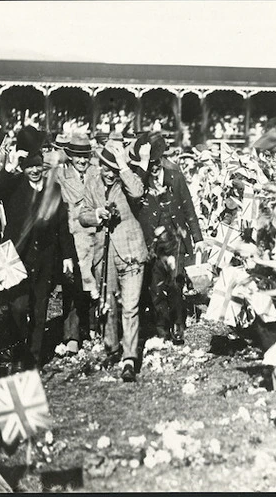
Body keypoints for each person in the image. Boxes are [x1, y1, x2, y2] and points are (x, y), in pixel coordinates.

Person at [0, 126, 75, 368]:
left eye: (38, 166)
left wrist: (67, 256)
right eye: (29, 166)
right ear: (23, 168)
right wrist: (8, 167)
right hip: (15, 256)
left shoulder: (53, 190)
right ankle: (19, 352)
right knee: (18, 308)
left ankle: (34, 360)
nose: (34, 171)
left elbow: (62, 226)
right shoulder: (14, 186)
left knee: (40, 311)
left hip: (45, 258)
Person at [79, 140, 148, 382]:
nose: (109, 174)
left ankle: (129, 358)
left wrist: (124, 167)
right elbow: (82, 215)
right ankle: (112, 348)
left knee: (130, 306)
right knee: (108, 305)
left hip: (130, 252)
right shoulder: (92, 184)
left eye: (113, 169)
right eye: (105, 168)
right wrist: (97, 215)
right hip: (104, 253)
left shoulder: (127, 181)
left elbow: (138, 191)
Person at [131, 132, 205, 344]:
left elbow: (188, 208)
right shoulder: (141, 180)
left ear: (163, 160)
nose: (154, 167)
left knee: (175, 284)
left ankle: (178, 325)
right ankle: (162, 327)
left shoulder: (176, 177)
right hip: (154, 244)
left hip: (176, 240)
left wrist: (197, 238)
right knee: (156, 288)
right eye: (150, 163)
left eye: (157, 162)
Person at [50, 132, 100, 355]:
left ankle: (92, 328)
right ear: (70, 156)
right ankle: (71, 335)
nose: (81, 161)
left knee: (95, 284)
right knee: (72, 285)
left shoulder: (96, 173)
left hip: (95, 235)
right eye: (77, 157)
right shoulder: (60, 176)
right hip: (73, 238)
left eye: (85, 156)